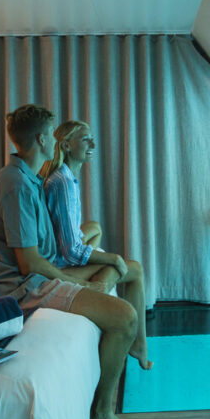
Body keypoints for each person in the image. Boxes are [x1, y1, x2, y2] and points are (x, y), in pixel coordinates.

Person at [0, 104, 137, 419]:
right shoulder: (16, 185)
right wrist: (73, 282)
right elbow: (29, 264)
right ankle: (103, 414)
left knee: (111, 276)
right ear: (40, 138)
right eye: (50, 136)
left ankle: (121, 357)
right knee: (125, 317)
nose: (55, 141)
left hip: (36, 273)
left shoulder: (29, 178)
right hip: (21, 286)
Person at [40, 120, 152, 371]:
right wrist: (111, 258)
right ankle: (137, 342)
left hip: (60, 255)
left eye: (92, 138)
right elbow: (69, 250)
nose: (92, 144)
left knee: (95, 227)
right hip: (58, 264)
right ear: (67, 146)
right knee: (132, 268)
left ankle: (138, 343)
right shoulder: (62, 183)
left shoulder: (65, 177)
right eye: (85, 139)